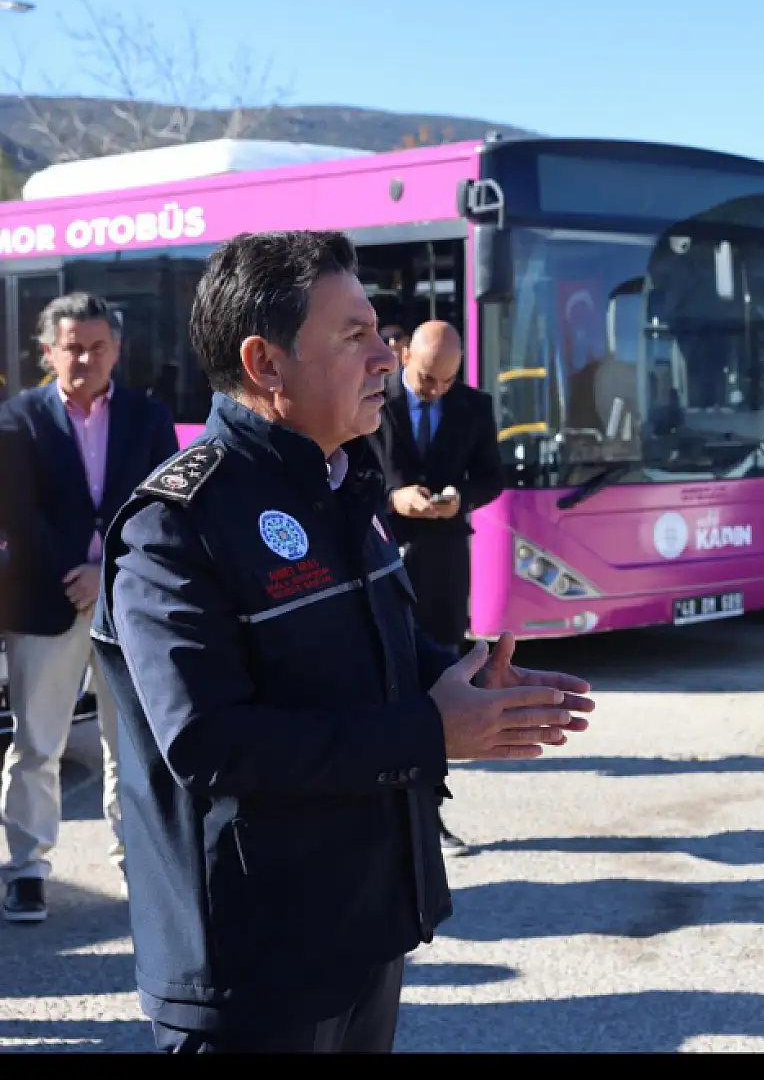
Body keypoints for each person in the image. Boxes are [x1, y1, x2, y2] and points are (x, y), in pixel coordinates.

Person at [88, 230, 594, 1052]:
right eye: (355, 336)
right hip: (254, 963)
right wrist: (432, 730)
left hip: (362, 930)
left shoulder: (338, 485)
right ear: (266, 363)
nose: (384, 359)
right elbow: (210, 742)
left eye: (381, 335)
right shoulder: (176, 526)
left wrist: (462, 679)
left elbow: (373, 649)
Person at [0, 292, 178, 922]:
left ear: (116, 350)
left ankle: (137, 857)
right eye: (72, 346)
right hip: (44, 603)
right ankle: (26, 867)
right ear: (48, 352)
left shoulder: (149, 418)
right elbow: (17, 511)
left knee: (128, 740)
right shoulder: (18, 418)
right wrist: (70, 573)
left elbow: (161, 505)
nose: (86, 357)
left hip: (126, 603)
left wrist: (106, 573)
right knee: (38, 741)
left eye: (98, 346)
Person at [370, 319, 503, 857]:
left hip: (444, 563)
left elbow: (491, 476)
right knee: (386, 686)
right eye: (427, 380)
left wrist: (459, 497)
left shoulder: (474, 406)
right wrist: (392, 498)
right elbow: (347, 471)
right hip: (381, 556)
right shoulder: (371, 397)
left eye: (446, 382)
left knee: (444, 687)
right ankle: (384, 809)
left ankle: (430, 814)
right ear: (406, 360)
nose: (435, 391)